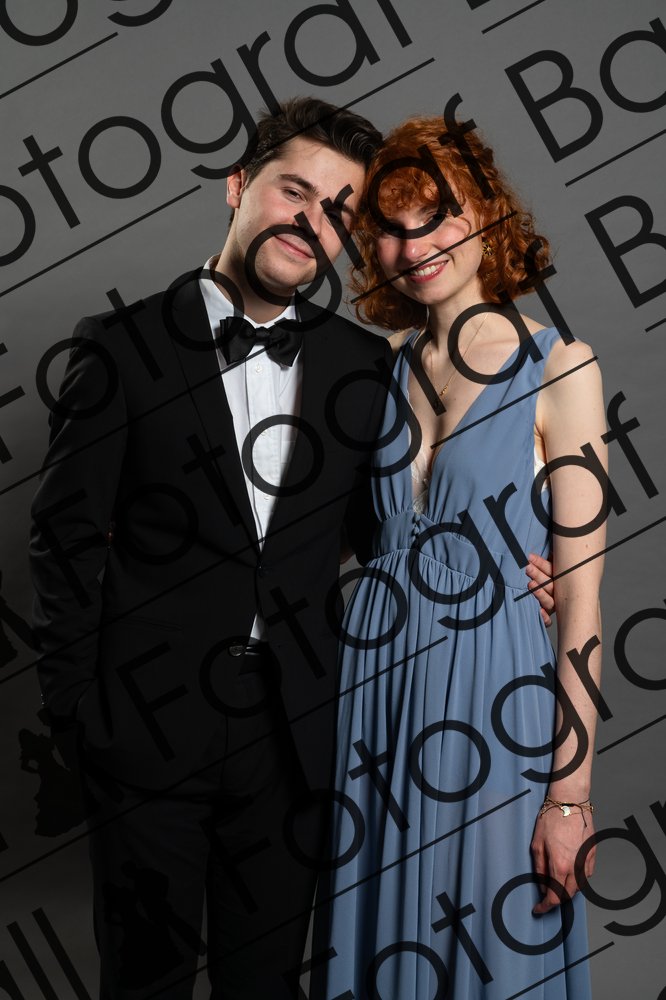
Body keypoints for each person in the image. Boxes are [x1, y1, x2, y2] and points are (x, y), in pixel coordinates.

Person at [29, 97, 556, 999]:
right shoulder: (120, 349)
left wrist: (509, 573)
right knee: (143, 982)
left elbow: (393, 535)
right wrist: (81, 715)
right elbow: (63, 540)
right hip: (147, 734)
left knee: (268, 985)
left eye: (339, 210)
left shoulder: (364, 366)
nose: (312, 222)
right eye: (294, 191)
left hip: (302, 740)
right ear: (239, 186)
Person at [313, 116, 605, 999]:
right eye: (391, 229)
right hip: (373, 691)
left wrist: (569, 796)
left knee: (485, 939)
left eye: (436, 216)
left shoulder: (561, 366)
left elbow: (582, 603)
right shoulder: (373, 369)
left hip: (493, 696)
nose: (416, 247)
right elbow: (321, 535)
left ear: (484, 212)